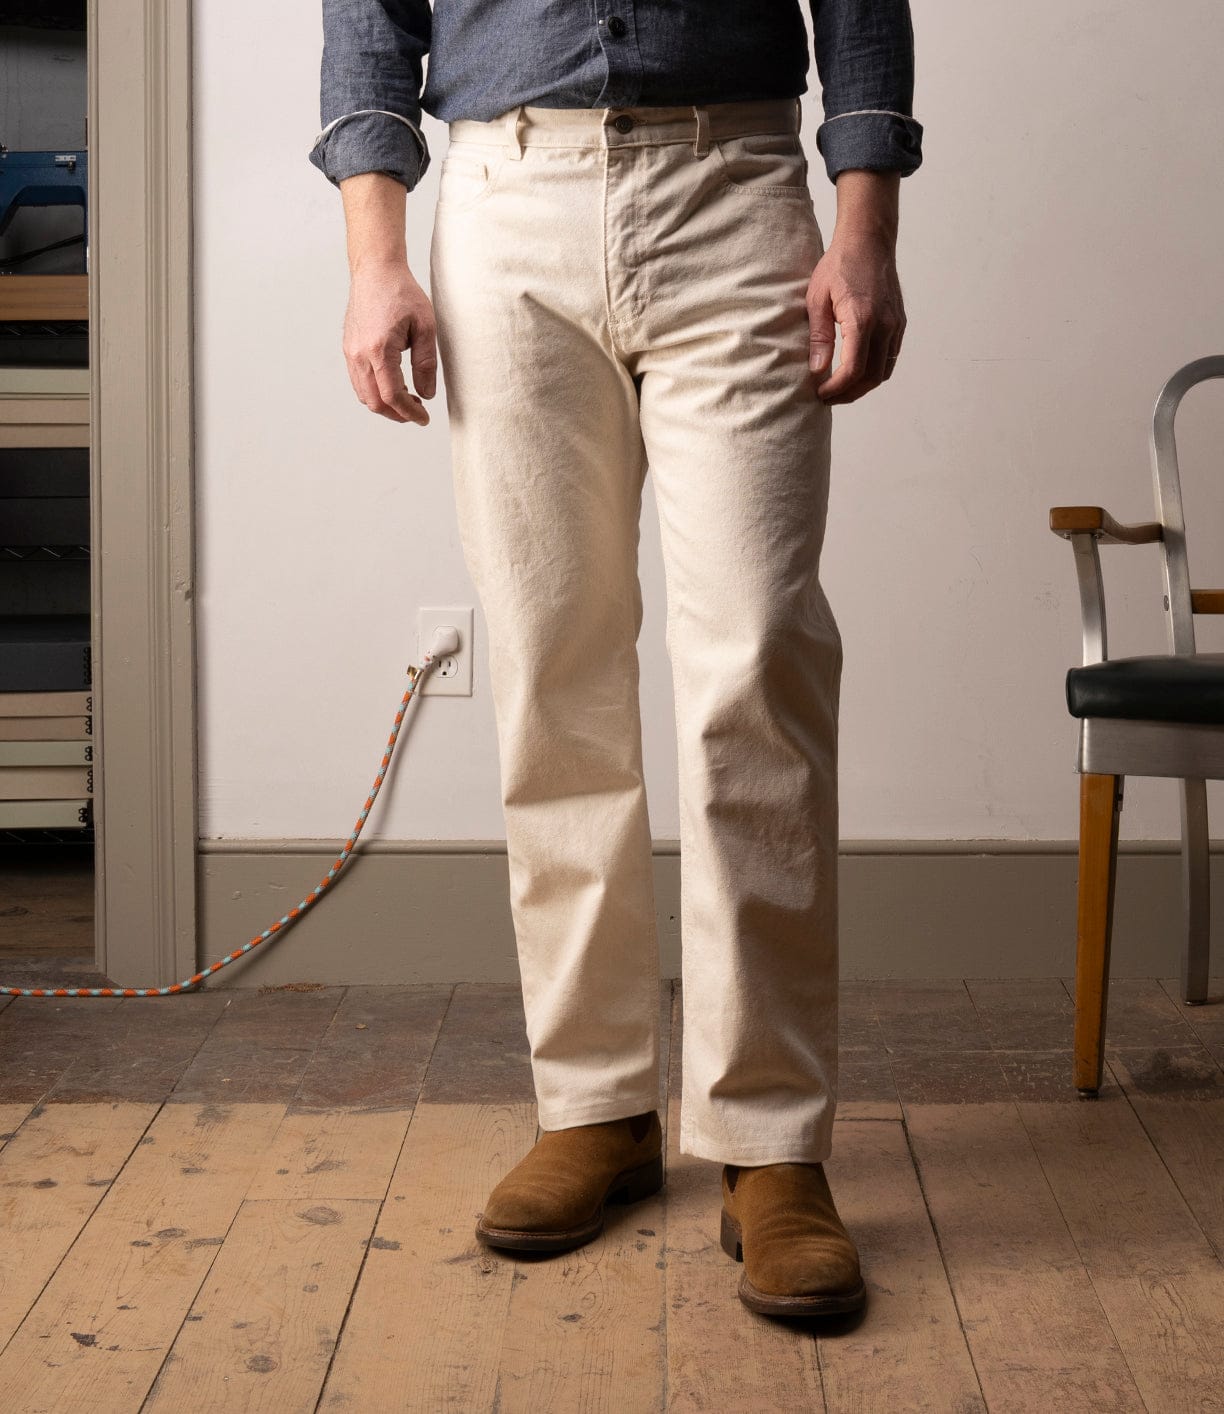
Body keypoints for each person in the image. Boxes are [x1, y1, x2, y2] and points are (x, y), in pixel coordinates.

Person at [309, 0, 922, 1318]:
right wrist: (376, 254)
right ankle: (593, 1102)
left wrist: (863, 227)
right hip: (505, 202)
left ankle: (769, 1138)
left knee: (756, 661)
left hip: (737, 185)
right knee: (550, 668)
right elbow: (369, 17)